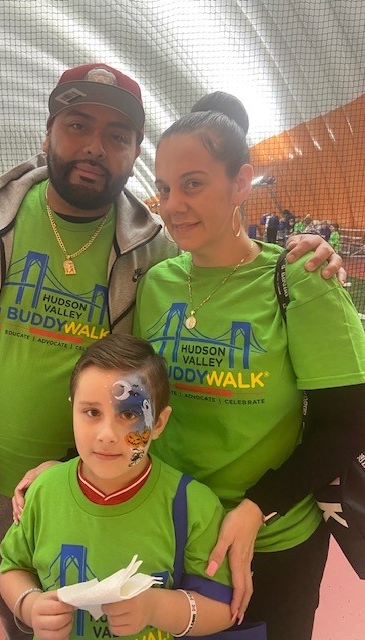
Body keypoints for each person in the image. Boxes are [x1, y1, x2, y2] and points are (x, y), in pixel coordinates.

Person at [0, 63, 341, 640]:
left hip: (132, 489)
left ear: (134, 152)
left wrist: (306, 254)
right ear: (48, 132)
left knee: (129, 621)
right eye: (77, 125)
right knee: (33, 613)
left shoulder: (154, 251)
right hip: (5, 478)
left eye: (117, 136)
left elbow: (224, 270)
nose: (94, 147)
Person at [131, 92, 365, 640]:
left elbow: (348, 422)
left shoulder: (300, 280)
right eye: (165, 188)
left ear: (240, 183)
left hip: (273, 544)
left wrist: (258, 507)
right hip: (170, 532)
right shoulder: (157, 283)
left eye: (193, 183)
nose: (173, 204)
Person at [0, 333, 240, 640]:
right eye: (92, 412)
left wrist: (154, 608)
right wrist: (29, 605)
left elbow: (222, 608)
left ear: (159, 423)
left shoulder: (193, 504)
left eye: (128, 414)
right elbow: (12, 568)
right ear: (72, 410)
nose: (106, 434)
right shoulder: (43, 491)